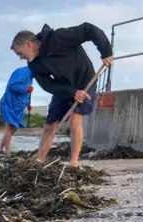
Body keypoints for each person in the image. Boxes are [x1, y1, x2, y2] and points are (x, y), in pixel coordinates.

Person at [9, 22, 114, 167]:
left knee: (75, 119)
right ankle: (40, 159)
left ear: (28, 44)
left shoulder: (58, 38)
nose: (20, 58)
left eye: (19, 53)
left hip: (84, 81)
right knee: (49, 126)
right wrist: (71, 92)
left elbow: (89, 29)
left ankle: (74, 162)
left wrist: (106, 52)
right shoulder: (34, 63)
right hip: (64, 88)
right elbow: (47, 84)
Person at [0, 66, 34, 154]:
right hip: (9, 104)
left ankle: (0, 148)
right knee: (9, 127)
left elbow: (27, 93)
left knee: (14, 128)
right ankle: (7, 152)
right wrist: (26, 89)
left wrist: (28, 103)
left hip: (19, 106)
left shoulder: (31, 77)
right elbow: (12, 85)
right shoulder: (22, 72)